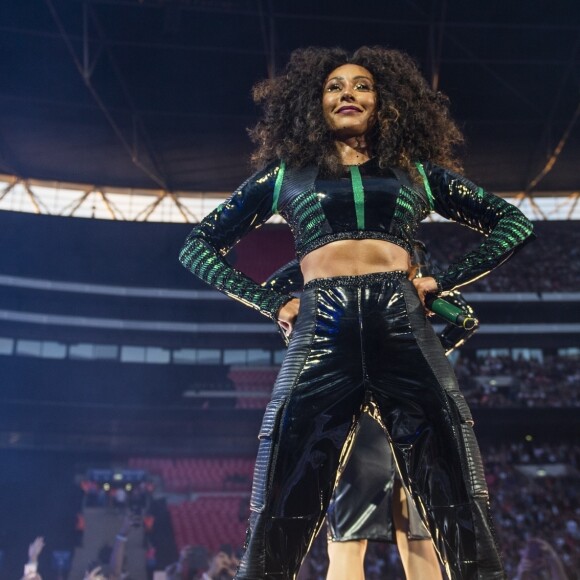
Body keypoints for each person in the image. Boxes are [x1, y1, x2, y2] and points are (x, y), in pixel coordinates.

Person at [179, 46, 535, 579]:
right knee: (281, 493)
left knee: (455, 487)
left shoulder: (416, 171)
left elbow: (512, 222)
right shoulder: (284, 175)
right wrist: (273, 300)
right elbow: (197, 246)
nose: (347, 92)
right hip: (321, 325)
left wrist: (443, 280)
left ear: (385, 103)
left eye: (362, 85)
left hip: (402, 320)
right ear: (312, 105)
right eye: (334, 86)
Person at [265, 243, 473, 580]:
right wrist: (428, 354)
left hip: (353, 401)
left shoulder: (329, 255)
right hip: (412, 402)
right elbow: (466, 319)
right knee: (418, 531)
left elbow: (273, 288)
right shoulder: (412, 266)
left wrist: (291, 324)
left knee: (349, 532)